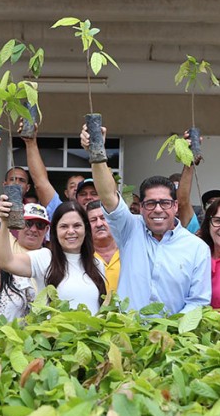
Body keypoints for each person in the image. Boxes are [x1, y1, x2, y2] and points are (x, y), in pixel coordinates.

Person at [84, 124, 211, 315]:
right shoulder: (129, 229)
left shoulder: (197, 248)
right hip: (128, 331)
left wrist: (169, 328)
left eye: (165, 203)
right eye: (151, 203)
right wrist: (97, 152)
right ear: (141, 207)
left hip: (173, 332)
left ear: (175, 206)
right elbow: (108, 195)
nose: (158, 209)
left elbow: (198, 302)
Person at [0, 197, 106, 311]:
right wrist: (4, 221)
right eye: (64, 226)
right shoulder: (45, 258)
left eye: (77, 225)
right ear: (55, 231)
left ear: (86, 229)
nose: (71, 231)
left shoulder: (97, 264)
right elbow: (5, 262)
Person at [86, 200, 120, 294]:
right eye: (93, 220)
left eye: (103, 218)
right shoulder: (84, 257)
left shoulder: (128, 252)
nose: (99, 224)